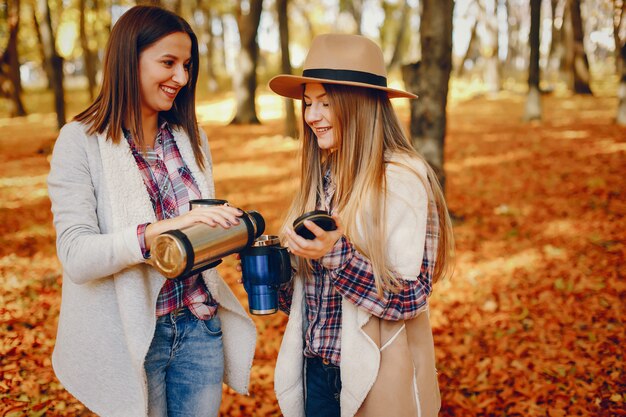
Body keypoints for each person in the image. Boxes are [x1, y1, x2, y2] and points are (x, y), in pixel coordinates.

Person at [47, 6, 256, 417]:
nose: (181, 77)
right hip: (134, 337)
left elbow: (196, 232)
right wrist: (159, 231)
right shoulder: (79, 142)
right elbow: (77, 256)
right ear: (129, 58)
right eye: (168, 63)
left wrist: (225, 232)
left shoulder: (188, 136)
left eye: (187, 65)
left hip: (199, 326)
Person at [268, 34, 455, 417]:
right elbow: (313, 300)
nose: (311, 116)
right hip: (315, 371)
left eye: (325, 103)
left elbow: (411, 296)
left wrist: (336, 255)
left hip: (378, 376)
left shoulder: (403, 179)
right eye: (307, 104)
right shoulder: (323, 176)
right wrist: (275, 270)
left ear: (360, 105)